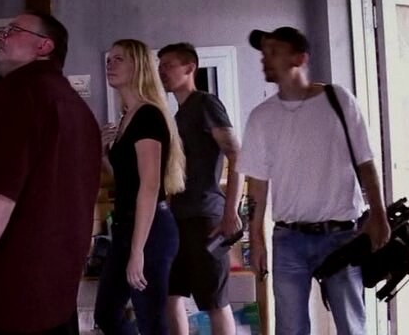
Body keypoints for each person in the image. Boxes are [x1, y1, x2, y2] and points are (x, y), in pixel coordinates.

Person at [0, 11, 102, 334]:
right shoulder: (76, 107)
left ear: (44, 46)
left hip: (9, 291)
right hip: (54, 290)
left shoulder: (19, 94)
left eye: (11, 30)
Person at [237, 26, 391, 335]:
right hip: (288, 240)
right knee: (290, 329)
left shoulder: (338, 101)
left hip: (342, 236)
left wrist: (379, 214)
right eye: (263, 53)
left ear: (300, 58)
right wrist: (256, 239)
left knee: (352, 327)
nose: (265, 59)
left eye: (274, 51)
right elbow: (257, 184)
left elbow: (366, 162)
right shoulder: (261, 117)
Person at [94, 39, 185, 335]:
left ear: (139, 67)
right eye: (109, 59)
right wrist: (104, 155)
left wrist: (137, 250)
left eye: (119, 59)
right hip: (126, 227)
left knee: (151, 322)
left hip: (150, 230)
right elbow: (127, 180)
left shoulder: (148, 115)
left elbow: (149, 185)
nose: (110, 64)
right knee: (107, 314)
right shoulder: (126, 117)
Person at [157, 43, 242, 335]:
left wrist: (231, 212)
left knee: (214, 301)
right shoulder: (178, 116)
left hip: (206, 216)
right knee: (171, 295)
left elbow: (237, 155)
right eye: (160, 66)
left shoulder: (206, 103)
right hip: (178, 218)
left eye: (168, 65)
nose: (162, 71)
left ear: (190, 67)